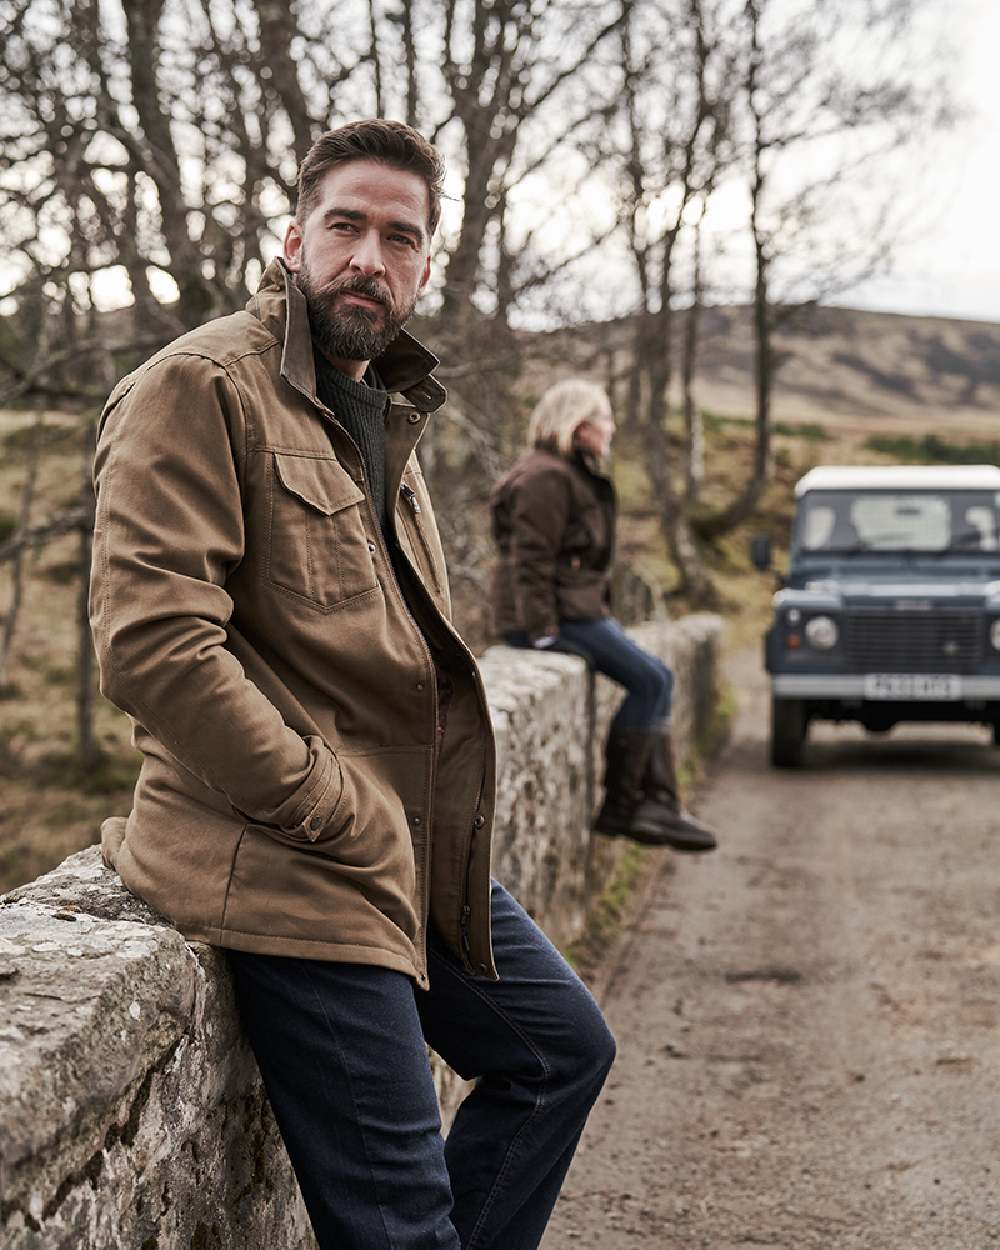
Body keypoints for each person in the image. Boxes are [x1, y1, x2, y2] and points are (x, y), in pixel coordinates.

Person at [90, 120, 614, 1250]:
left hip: (400, 851)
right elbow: (154, 646)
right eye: (346, 226)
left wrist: (391, 822)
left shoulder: (383, 411)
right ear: (293, 238)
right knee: (401, 1223)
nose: (369, 256)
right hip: (289, 860)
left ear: (425, 268)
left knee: (562, 1050)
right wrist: (329, 807)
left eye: (399, 236)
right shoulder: (198, 385)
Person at [491, 378, 719, 853]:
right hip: (560, 616)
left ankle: (652, 804)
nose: (611, 428)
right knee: (653, 680)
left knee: (655, 677)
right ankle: (630, 805)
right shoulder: (546, 477)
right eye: (605, 418)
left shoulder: (567, 473)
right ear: (578, 425)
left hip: (578, 609)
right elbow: (529, 560)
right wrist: (541, 633)